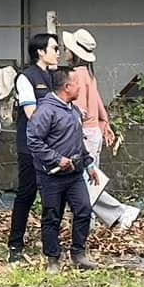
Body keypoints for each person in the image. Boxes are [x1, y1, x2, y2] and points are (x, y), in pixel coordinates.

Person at [59, 29, 140, 231]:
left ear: (73, 51)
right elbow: (96, 101)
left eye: (66, 48)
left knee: (84, 181)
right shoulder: (88, 73)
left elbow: (80, 110)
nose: (64, 51)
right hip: (93, 130)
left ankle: (120, 212)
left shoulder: (76, 75)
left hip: (84, 132)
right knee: (89, 178)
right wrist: (104, 121)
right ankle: (93, 220)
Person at [27, 67, 97, 272]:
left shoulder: (72, 109)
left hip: (75, 174)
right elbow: (33, 140)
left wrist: (89, 163)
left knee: (84, 209)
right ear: (67, 87)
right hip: (51, 176)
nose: (80, 87)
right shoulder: (45, 111)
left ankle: (78, 253)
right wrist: (56, 159)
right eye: (77, 83)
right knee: (52, 215)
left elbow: (77, 141)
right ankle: (53, 258)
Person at [6, 32, 61, 263]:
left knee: (53, 195)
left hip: (53, 145)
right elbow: (32, 114)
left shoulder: (56, 77)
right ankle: (15, 244)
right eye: (54, 48)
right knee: (26, 193)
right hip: (31, 146)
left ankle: (50, 242)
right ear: (41, 51)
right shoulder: (26, 77)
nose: (57, 52)